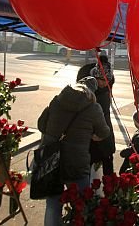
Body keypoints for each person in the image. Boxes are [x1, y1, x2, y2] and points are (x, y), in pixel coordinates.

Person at [38, 77, 110, 226]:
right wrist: (92, 136)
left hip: (51, 158)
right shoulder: (93, 108)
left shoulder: (57, 100)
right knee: (82, 205)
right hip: (77, 161)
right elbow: (104, 132)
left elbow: (41, 124)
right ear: (92, 91)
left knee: (52, 204)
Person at [76, 54, 116, 176]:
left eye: (107, 81)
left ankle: (111, 187)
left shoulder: (106, 88)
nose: (104, 84)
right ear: (94, 78)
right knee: (87, 161)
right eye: (102, 81)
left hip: (104, 126)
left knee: (107, 158)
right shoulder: (85, 90)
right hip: (89, 132)